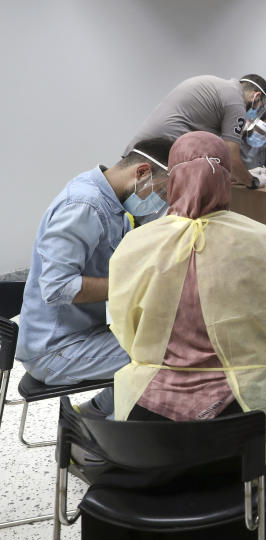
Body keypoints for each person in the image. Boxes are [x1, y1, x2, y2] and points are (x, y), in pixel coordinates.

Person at [98, 131, 266, 540]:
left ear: (169, 180)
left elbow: (124, 330)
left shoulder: (134, 246)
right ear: (227, 180)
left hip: (155, 419)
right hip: (249, 415)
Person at [15, 140, 171, 418]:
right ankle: (107, 445)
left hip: (82, 332)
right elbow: (58, 286)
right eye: (160, 191)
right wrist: (132, 286)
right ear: (142, 172)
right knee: (168, 355)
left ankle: (96, 413)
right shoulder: (85, 204)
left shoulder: (112, 202)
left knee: (165, 334)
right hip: (56, 350)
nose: (159, 200)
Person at [125, 74, 266, 187]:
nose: (254, 112)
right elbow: (231, 157)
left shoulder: (220, 87)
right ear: (256, 96)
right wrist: (252, 181)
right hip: (159, 158)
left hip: (139, 151)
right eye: (259, 107)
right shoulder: (236, 102)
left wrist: (242, 174)